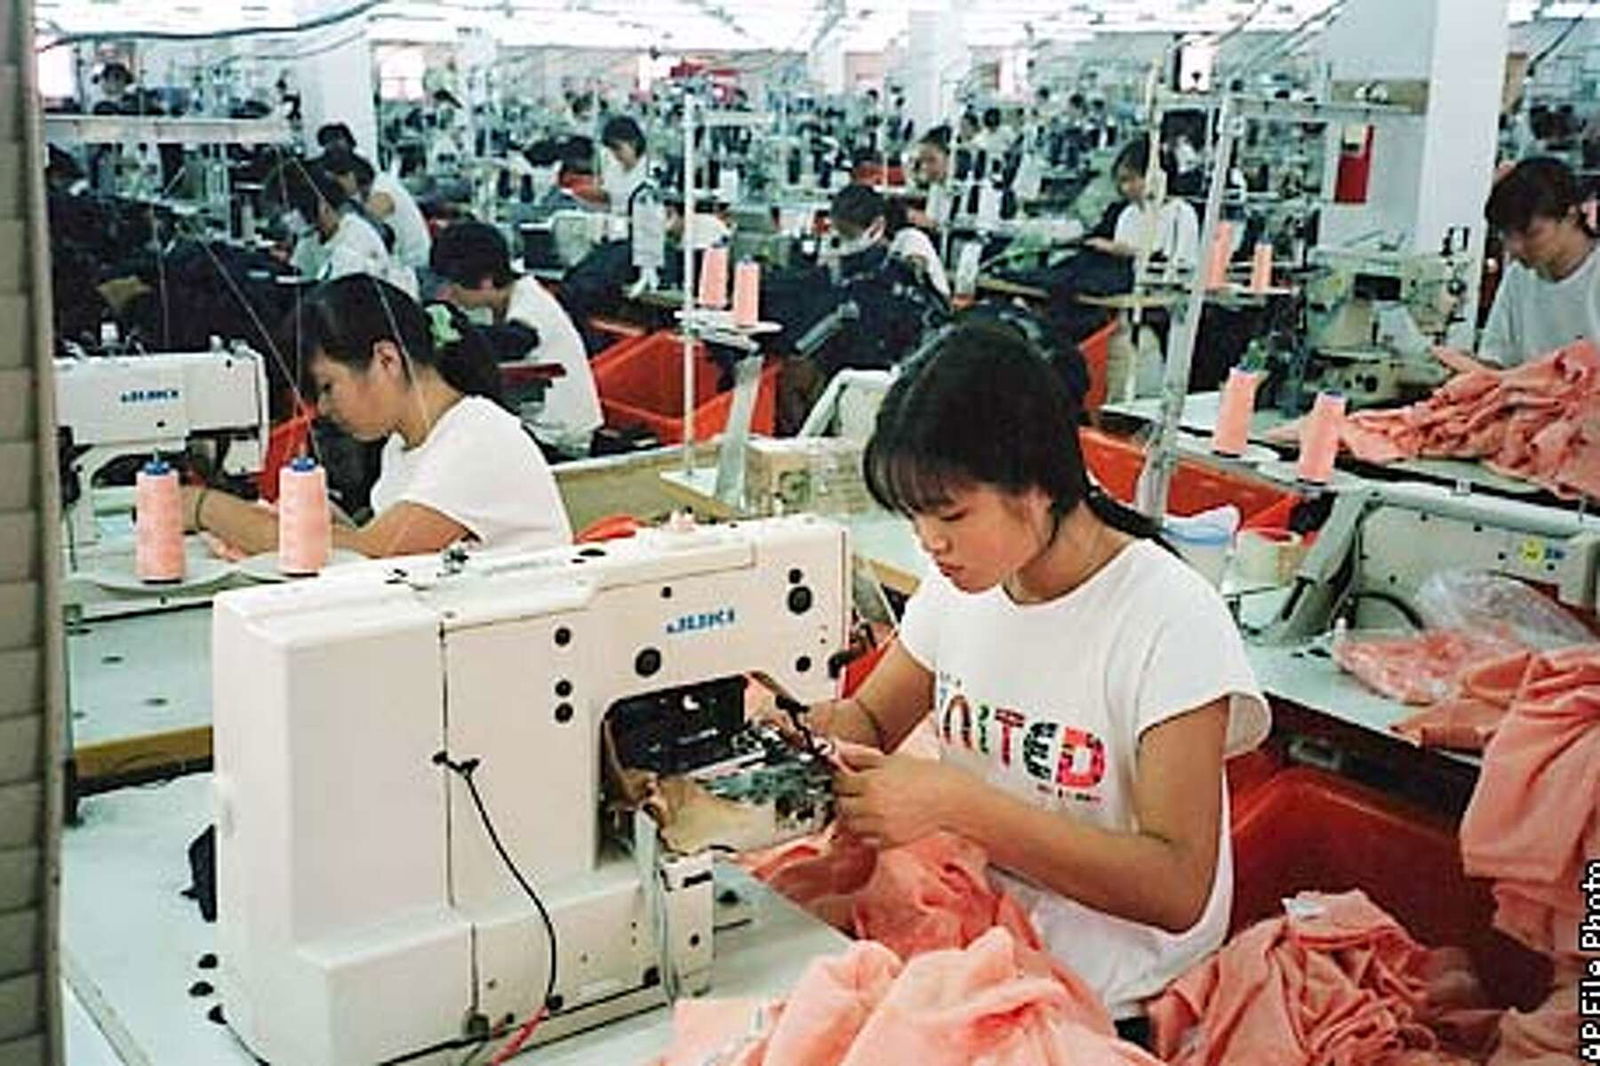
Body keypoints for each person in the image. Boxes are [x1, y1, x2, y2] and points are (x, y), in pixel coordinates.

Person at [796, 320, 1268, 1032]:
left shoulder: (1170, 619)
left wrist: (961, 805)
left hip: (1113, 993)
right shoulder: (963, 585)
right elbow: (868, 721)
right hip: (981, 938)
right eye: (916, 517)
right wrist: (787, 729)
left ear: (1040, 486)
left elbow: (1178, 887)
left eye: (951, 513)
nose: (930, 542)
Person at [182, 275, 573, 555]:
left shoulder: (477, 438)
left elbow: (373, 555)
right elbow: (395, 556)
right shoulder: (403, 445)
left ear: (386, 360)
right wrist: (332, 524)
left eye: (327, 387)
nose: (322, 409)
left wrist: (204, 507)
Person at [430, 221, 602, 457]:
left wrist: (449, 329)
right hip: (534, 427)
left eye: (453, 285)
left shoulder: (531, 304)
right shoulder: (502, 300)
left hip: (558, 441)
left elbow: (516, 340)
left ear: (486, 281)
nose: (446, 294)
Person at [1469, 157, 1600, 369]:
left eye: (1530, 234)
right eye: (1507, 235)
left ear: (1571, 215)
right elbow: (1497, 360)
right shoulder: (1519, 277)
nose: (1515, 248)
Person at [279, 161, 418, 299]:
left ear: (323, 207)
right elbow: (298, 274)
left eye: (294, 211)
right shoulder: (311, 239)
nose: (288, 220)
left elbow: (338, 297)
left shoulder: (354, 239)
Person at [322, 148, 433, 274]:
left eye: (336, 182)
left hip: (415, 267)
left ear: (350, 176)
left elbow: (367, 228)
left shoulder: (382, 190)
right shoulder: (365, 192)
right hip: (400, 263)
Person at [600, 114, 652, 215]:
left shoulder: (649, 171)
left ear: (634, 143)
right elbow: (608, 198)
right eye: (611, 149)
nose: (615, 154)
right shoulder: (613, 167)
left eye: (618, 148)